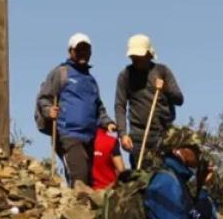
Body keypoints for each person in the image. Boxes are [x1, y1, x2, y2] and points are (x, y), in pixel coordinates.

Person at [36, 33, 116, 187]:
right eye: (79, 49)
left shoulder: (91, 80)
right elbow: (44, 97)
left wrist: (107, 122)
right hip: (68, 134)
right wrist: (48, 110)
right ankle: (76, 208)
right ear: (70, 51)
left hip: (89, 137)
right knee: (79, 176)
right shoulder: (61, 72)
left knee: (87, 178)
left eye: (86, 50)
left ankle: (81, 209)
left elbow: (98, 106)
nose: (83, 53)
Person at [115, 34, 184, 169]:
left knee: (164, 178)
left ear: (149, 54)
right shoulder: (125, 76)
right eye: (133, 57)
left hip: (164, 136)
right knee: (141, 180)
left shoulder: (162, 71)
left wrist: (166, 89)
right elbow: (120, 106)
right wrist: (122, 134)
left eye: (139, 57)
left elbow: (179, 99)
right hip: (139, 138)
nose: (136, 60)